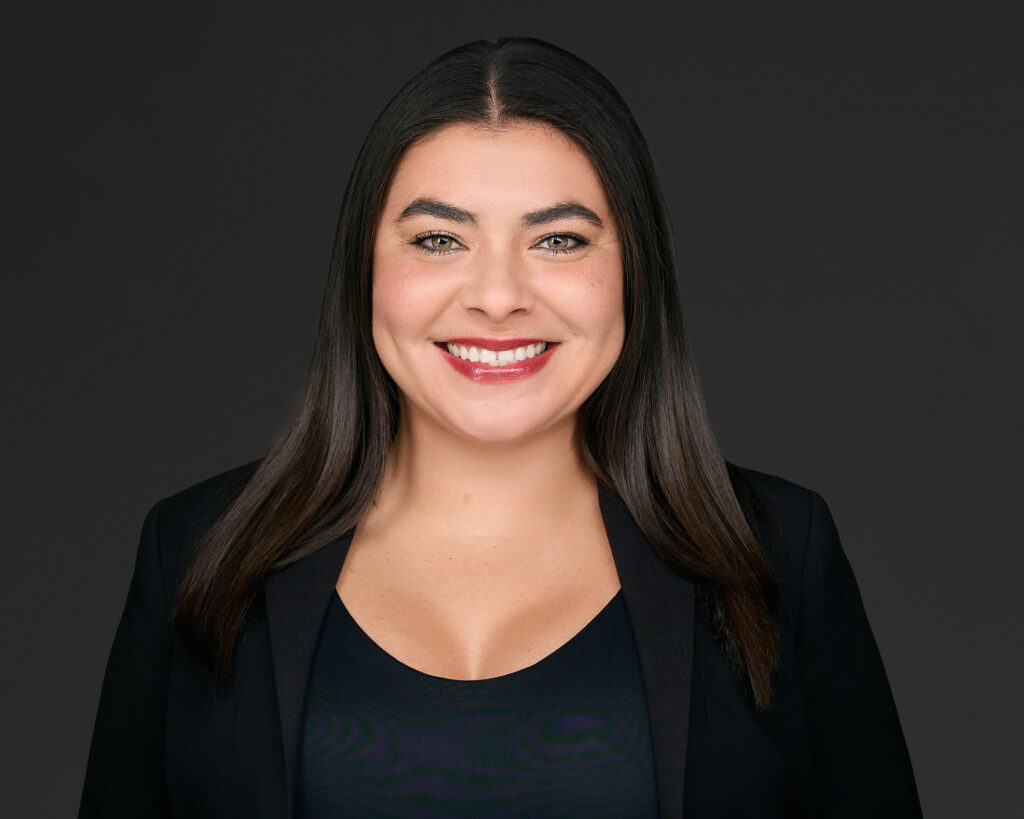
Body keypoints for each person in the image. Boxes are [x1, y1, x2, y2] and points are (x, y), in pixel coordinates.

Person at [80, 36, 921, 818]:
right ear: (364, 270)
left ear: (633, 272)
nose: (496, 295)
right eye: (439, 238)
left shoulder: (777, 554)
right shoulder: (199, 554)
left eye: (558, 240)